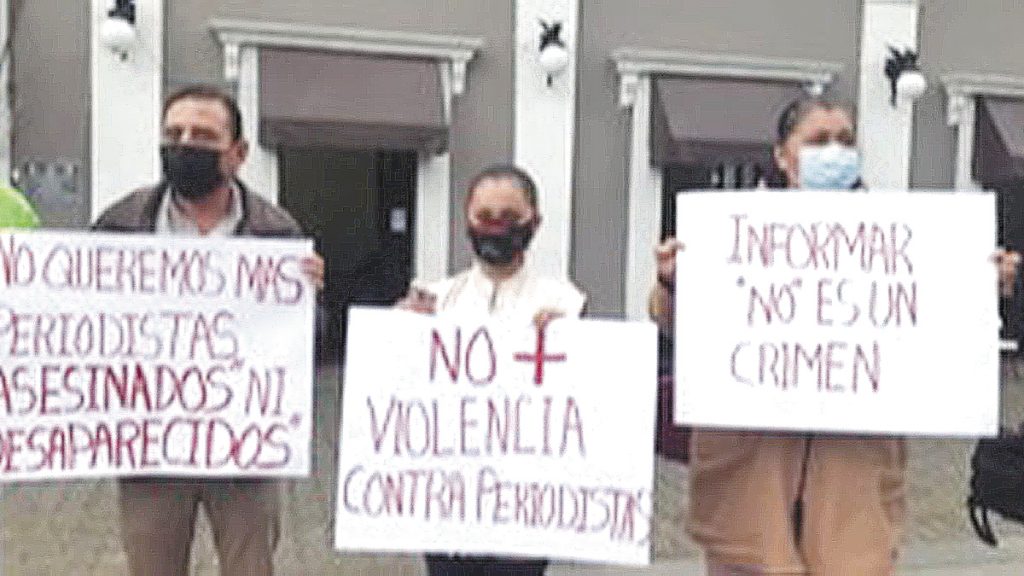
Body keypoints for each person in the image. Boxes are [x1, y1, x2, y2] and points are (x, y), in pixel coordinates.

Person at [92, 84, 324, 576]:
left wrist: (308, 299)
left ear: (238, 153)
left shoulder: (277, 232)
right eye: (173, 133)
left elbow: (307, 345)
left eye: (202, 136)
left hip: (243, 449)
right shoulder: (121, 223)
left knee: (249, 567)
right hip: (149, 445)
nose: (184, 144)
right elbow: (81, 321)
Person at [397, 164, 586, 576]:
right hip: (447, 502)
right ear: (467, 219)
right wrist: (399, 332)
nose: (496, 228)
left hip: (525, 504)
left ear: (534, 223)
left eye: (509, 217)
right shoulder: (436, 299)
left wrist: (573, 342)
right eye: (484, 217)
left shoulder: (565, 304)